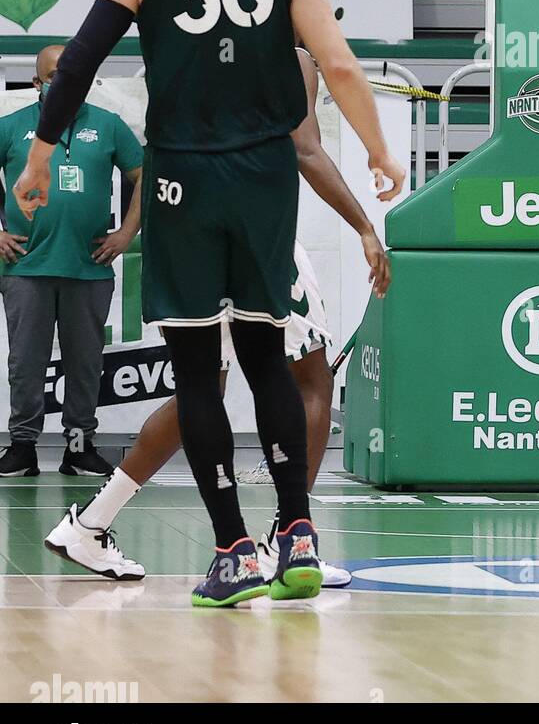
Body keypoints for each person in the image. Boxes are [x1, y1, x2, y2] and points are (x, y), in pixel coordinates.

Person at [14, 0, 405, 607]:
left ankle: (233, 550)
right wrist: (378, 150)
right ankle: (295, 532)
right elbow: (335, 61)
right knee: (268, 357)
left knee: (197, 369)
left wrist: (39, 158)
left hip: (181, 176)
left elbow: (80, 63)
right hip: (264, 173)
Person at [44, 48, 391, 587]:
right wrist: (365, 225)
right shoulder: (290, 55)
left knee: (201, 389)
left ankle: (91, 523)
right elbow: (304, 149)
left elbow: (156, 144)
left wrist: (142, 224)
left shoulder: (182, 46)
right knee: (310, 378)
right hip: (250, 230)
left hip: (185, 228)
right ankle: (289, 538)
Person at [0, 46, 143, 479]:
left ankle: (79, 445)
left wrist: (126, 233)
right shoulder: (12, 127)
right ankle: (22, 447)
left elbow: (145, 177)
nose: (66, 83)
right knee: (26, 363)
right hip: (26, 267)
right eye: (55, 77)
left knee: (86, 362)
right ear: (37, 84)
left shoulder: (109, 126)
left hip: (89, 269)